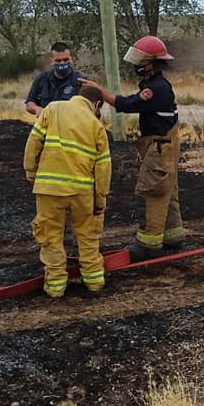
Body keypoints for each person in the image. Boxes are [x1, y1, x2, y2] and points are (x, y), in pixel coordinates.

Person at [82, 35, 185, 261]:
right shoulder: (154, 84)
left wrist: (100, 92)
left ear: (151, 63)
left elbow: (126, 104)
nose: (136, 65)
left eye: (140, 60)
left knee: (151, 190)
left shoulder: (157, 88)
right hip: (163, 145)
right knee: (167, 188)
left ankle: (148, 242)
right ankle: (172, 234)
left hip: (159, 146)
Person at [23, 85, 112, 297]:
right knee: (88, 235)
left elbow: (33, 142)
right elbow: (103, 168)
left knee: (50, 237)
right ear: (97, 104)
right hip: (82, 192)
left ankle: (55, 286)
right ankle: (94, 281)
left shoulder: (53, 109)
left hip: (49, 189)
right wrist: (100, 200)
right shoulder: (95, 125)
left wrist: (32, 173)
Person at [24, 42, 86, 116]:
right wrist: (37, 109)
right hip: (47, 124)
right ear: (51, 61)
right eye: (58, 60)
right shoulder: (41, 79)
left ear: (71, 59)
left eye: (66, 60)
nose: (62, 63)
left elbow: (90, 108)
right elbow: (29, 104)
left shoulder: (81, 81)